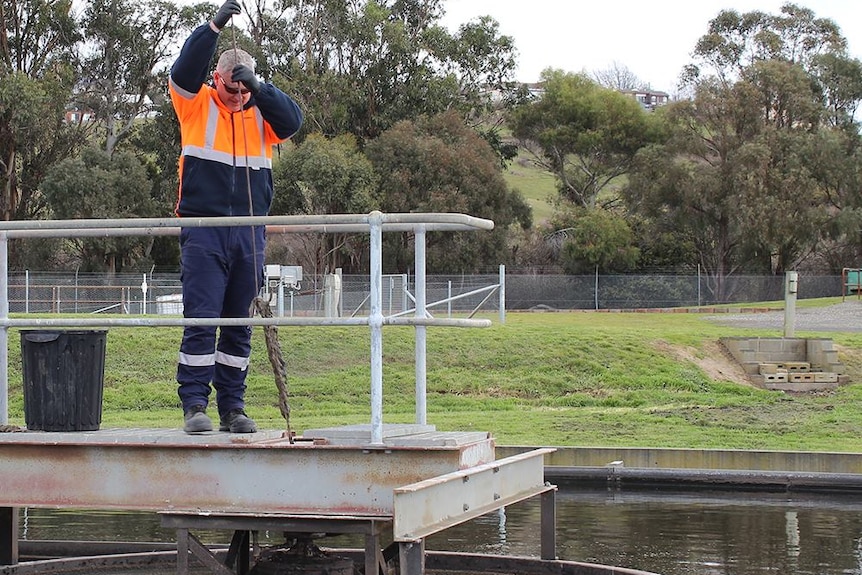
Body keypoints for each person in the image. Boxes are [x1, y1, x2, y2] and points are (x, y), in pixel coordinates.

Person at [169, 0, 303, 433]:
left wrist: (260, 90)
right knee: (202, 319)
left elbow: (293, 121)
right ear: (217, 80)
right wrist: (213, 26)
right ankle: (194, 405)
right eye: (232, 88)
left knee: (239, 326)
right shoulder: (195, 103)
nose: (237, 96)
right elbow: (183, 71)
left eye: (243, 90)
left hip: (249, 235)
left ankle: (233, 407)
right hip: (204, 232)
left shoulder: (260, 113)